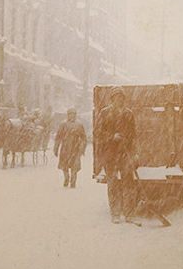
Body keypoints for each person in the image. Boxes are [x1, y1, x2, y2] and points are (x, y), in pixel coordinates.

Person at [95, 87, 138, 224]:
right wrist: (112, 137)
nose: (119, 100)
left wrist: (132, 150)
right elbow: (98, 133)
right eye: (116, 97)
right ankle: (115, 213)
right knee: (113, 183)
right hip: (110, 153)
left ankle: (129, 213)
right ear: (112, 99)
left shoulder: (128, 114)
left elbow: (133, 134)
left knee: (128, 183)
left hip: (125, 153)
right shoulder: (104, 113)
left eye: (121, 97)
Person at [53, 108, 87, 188]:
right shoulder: (63, 124)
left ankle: (73, 181)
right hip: (65, 147)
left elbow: (84, 137)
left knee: (74, 166)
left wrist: (82, 148)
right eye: (70, 114)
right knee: (64, 165)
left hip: (75, 148)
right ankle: (66, 177)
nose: (72, 116)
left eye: (74, 114)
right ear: (68, 115)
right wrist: (56, 148)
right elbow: (58, 137)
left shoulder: (79, 125)